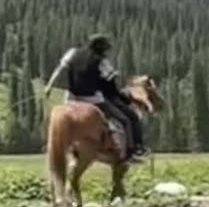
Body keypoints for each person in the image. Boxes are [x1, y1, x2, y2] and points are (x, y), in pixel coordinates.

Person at [44, 33, 147, 162]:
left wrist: (49, 86)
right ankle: (132, 151)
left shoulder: (72, 53)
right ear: (101, 48)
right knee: (125, 119)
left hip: (71, 98)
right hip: (92, 99)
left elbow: (59, 70)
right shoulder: (102, 62)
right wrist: (123, 98)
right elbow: (110, 87)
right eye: (106, 49)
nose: (107, 52)